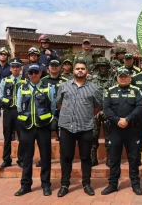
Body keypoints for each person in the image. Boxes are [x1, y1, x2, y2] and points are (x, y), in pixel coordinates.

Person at [56, 61, 103, 197]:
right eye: (77, 68)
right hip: (66, 127)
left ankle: (86, 184)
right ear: (73, 71)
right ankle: (65, 184)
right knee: (66, 157)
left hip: (85, 127)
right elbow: (59, 103)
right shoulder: (64, 86)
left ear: (87, 71)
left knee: (85, 157)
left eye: (83, 68)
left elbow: (98, 106)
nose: (80, 71)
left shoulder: (94, 88)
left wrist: (86, 115)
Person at [101, 67, 142, 195]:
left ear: (130, 77)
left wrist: (128, 119)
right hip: (115, 129)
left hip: (132, 129)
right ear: (117, 78)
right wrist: (117, 120)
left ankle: (135, 184)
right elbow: (106, 108)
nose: (123, 78)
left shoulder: (136, 91)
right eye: (121, 76)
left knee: (134, 158)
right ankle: (113, 184)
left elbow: (140, 106)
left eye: (126, 76)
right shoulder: (110, 91)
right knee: (114, 158)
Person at [14, 64, 56, 196]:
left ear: (40, 73)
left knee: (45, 157)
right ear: (28, 74)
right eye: (31, 72)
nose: (33, 74)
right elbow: (19, 107)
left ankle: (46, 184)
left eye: (36, 72)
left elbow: (53, 107)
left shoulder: (49, 88)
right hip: (27, 127)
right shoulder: (22, 88)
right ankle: (25, 185)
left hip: (43, 127)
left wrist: (49, 121)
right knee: (27, 158)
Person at [0, 58, 26, 169]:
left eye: (17, 66)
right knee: (7, 136)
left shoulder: (24, 81)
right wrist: (8, 102)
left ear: (20, 68)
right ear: (10, 68)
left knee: (22, 136)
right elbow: (1, 96)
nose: (15, 69)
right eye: (13, 67)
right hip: (8, 111)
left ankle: (21, 159)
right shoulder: (5, 80)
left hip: (20, 112)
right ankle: (6, 159)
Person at [91, 57, 114, 167]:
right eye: (101, 66)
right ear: (97, 67)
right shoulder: (92, 79)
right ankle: (93, 157)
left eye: (104, 66)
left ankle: (109, 157)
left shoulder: (113, 78)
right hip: (94, 111)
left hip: (108, 111)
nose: (103, 68)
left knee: (109, 136)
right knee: (93, 135)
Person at [41, 59, 68, 141]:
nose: (54, 67)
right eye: (52, 65)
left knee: (63, 140)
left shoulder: (66, 81)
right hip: (46, 112)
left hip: (61, 112)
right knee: (45, 140)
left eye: (56, 65)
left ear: (60, 67)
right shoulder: (42, 81)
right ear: (48, 67)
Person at [0, 47, 11, 140]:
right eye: (1, 54)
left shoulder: (11, 68)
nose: (3, 56)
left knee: (8, 114)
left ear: (7, 56)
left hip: (7, 94)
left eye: (5, 55)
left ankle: (9, 135)